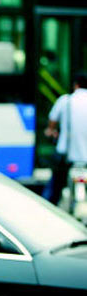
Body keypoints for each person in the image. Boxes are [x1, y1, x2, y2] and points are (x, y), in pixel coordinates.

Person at [44, 72, 87, 205]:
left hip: (66, 156)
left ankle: (47, 209)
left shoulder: (65, 100)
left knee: (54, 189)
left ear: (76, 85)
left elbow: (52, 122)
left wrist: (51, 131)